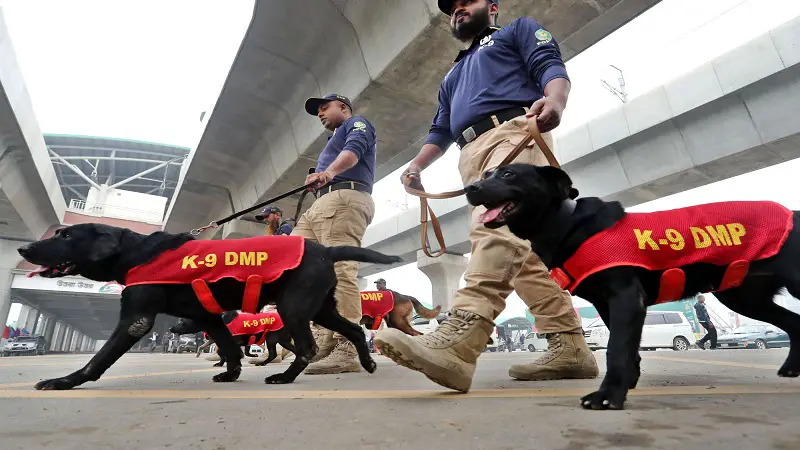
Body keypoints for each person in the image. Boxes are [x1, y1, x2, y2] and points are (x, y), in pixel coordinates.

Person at [375, 0, 598, 393]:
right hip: (470, 152)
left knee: (493, 232)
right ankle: (570, 347)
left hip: (514, 132)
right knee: (522, 256)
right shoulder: (453, 74)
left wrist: (556, 100)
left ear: (492, 7)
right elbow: (440, 130)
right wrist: (416, 166)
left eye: (467, 2)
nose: (458, 9)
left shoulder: (516, 31)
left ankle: (461, 341)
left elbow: (549, 65)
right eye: (452, 7)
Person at [292, 93, 377, 375]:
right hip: (321, 204)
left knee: (340, 270)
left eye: (323, 107)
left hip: (344, 196)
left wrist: (328, 172)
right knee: (299, 269)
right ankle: (324, 340)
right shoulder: (332, 140)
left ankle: (349, 346)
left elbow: (354, 151)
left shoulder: (356, 123)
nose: (319, 114)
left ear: (343, 107)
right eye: (317, 110)